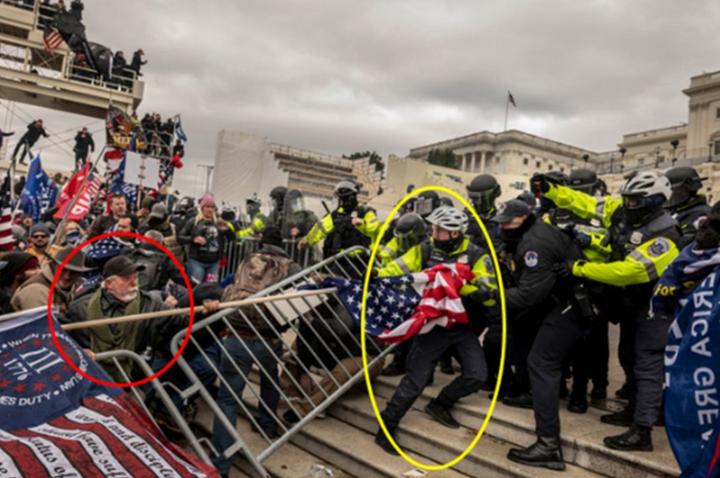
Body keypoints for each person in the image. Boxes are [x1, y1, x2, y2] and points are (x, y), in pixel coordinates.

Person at [533, 170, 681, 453]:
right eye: (627, 199)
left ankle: (643, 430)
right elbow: (585, 203)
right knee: (628, 357)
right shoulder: (621, 210)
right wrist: (552, 191)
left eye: (636, 201)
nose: (628, 205)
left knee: (648, 364)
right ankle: (634, 410)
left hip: (654, 308)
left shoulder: (666, 233)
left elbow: (631, 270)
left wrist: (580, 268)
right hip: (630, 304)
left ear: (655, 201)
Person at [374, 206, 496, 455]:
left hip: (461, 328)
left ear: (454, 233)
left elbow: (489, 293)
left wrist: (461, 288)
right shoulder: (424, 249)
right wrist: (375, 272)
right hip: (431, 327)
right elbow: (397, 270)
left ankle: (440, 404)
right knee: (415, 381)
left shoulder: (476, 255)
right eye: (433, 227)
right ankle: (386, 425)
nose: (432, 232)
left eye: (438, 229)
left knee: (477, 375)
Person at [490, 200, 586, 471]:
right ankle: (531, 391)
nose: (501, 227)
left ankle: (548, 446)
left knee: (542, 362)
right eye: (500, 222)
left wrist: (491, 296)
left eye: (507, 222)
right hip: (555, 299)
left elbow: (529, 294)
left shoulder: (534, 244)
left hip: (574, 304)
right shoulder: (529, 234)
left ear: (523, 218)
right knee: (521, 328)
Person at [211, 227, 301, 476]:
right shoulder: (290, 266)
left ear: (262, 243)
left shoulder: (248, 260)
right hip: (268, 337)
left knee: (228, 399)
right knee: (269, 378)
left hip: (236, 334)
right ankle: (267, 424)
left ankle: (220, 465)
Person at [63, 256, 201, 382]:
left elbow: (182, 322)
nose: (134, 283)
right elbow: (60, 342)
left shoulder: (149, 304)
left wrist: (206, 312)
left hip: (133, 380)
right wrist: (78, 352)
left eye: (135, 277)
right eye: (126, 279)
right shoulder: (81, 308)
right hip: (92, 382)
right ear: (109, 284)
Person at [298, 181, 380, 271]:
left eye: (347, 198)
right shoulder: (336, 215)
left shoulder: (365, 212)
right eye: (342, 198)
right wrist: (307, 240)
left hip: (360, 261)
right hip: (339, 261)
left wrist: (362, 223)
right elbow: (320, 228)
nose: (344, 201)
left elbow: (375, 228)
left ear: (353, 196)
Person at [11, 246, 93, 315]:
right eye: (63, 270)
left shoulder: (74, 286)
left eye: (74, 272)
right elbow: (42, 327)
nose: (67, 276)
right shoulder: (36, 290)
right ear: (53, 265)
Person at [178, 193, 232, 284]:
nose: (210, 209)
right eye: (207, 207)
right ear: (202, 208)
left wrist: (228, 229)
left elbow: (232, 238)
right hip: (196, 261)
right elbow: (180, 237)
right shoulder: (194, 221)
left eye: (212, 207)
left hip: (214, 263)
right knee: (196, 288)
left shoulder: (219, 222)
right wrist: (193, 239)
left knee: (210, 289)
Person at [664, 166, 711, 248]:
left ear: (688, 189)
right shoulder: (684, 212)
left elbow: (683, 244)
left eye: (674, 191)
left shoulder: (701, 215)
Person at [465, 174, 502, 250]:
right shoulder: (465, 217)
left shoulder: (501, 220)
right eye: (474, 198)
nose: (477, 202)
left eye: (479, 199)